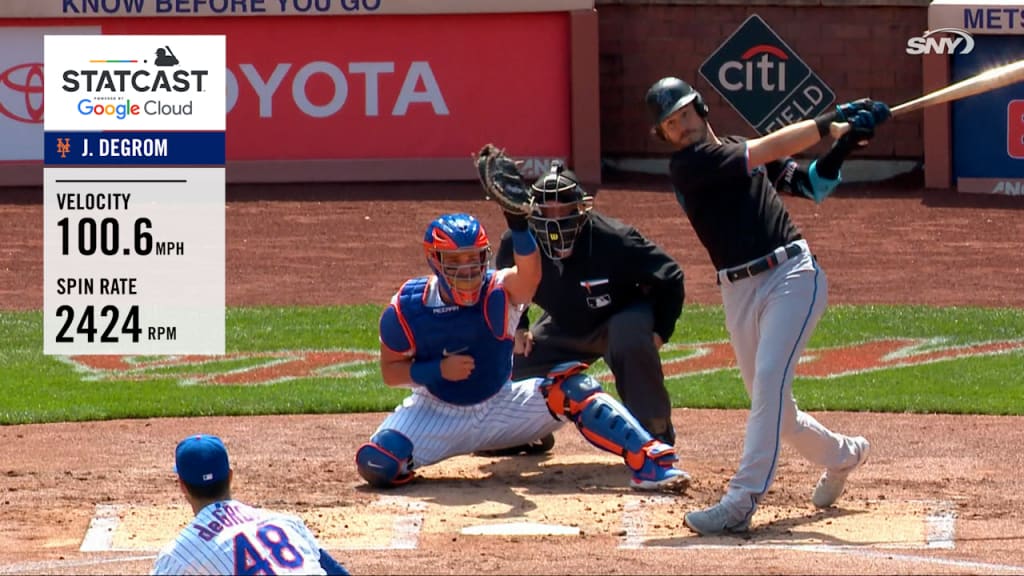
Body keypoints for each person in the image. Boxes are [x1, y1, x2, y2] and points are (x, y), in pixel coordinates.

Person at [643, 76, 889, 535]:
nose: (681, 127)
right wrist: (831, 122)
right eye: (670, 124)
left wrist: (845, 144)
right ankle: (845, 454)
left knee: (771, 385)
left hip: (792, 275)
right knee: (776, 408)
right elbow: (766, 149)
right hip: (737, 292)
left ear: (701, 108)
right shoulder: (690, 166)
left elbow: (812, 186)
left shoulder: (737, 149)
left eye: (684, 114)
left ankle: (742, 499)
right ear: (666, 137)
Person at [354, 211, 689, 492]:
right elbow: (391, 372)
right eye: (456, 260)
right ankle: (443, 451)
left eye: (474, 258)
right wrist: (437, 370)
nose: (468, 269)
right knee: (377, 463)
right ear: (435, 261)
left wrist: (519, 225)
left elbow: (530, 273)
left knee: (573, 388)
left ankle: (651, 459)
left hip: (503, 405)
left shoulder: (499, 291)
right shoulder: (407, 308)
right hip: (436, 412)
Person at [488, 162, 685, 453]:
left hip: (619, 317)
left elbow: (670, 276)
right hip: (564, 325)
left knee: (629, 338)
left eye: (564, 210)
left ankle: (654, 433)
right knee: (508, 361)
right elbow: (504, 285)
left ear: (581, 209)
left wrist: (659, 331)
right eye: (548, 210)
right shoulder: (519, 243)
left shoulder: (615, 239)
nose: (556, 220)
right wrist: (520, 327)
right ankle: (525, 433)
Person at [152, 434, 350, 575]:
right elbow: (336, 571)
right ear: (230, 477)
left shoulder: (180, 554)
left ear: (182, 485)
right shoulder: (286, 522)